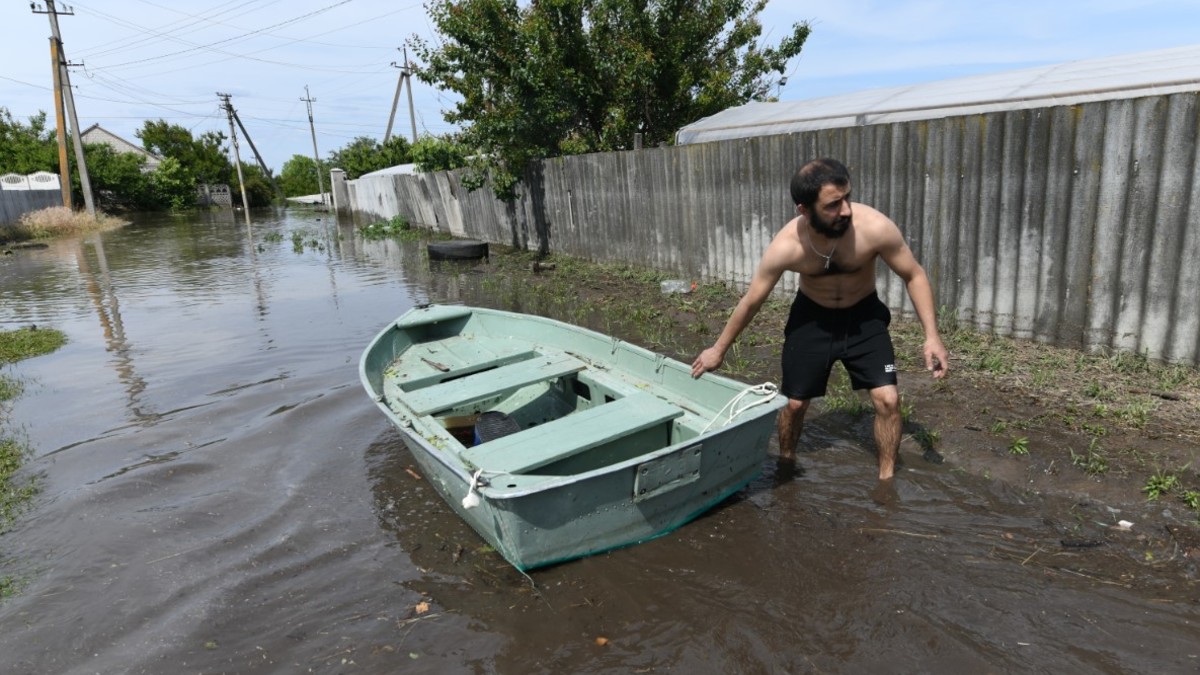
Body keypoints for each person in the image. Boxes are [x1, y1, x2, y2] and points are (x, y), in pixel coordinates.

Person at [691, 158, 949, 481]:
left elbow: (914, 274)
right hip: (811, 319)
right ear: (804, 209)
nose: (845, 210)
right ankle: (786, 465)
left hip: (864, 317)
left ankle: (886, 482)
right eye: (833, 204)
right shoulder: (787, 246)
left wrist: (932, 336)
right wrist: (718, 349)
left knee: (888, 399)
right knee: (795, 404)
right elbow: (752, 300)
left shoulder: (874, 228)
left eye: (847, 198)